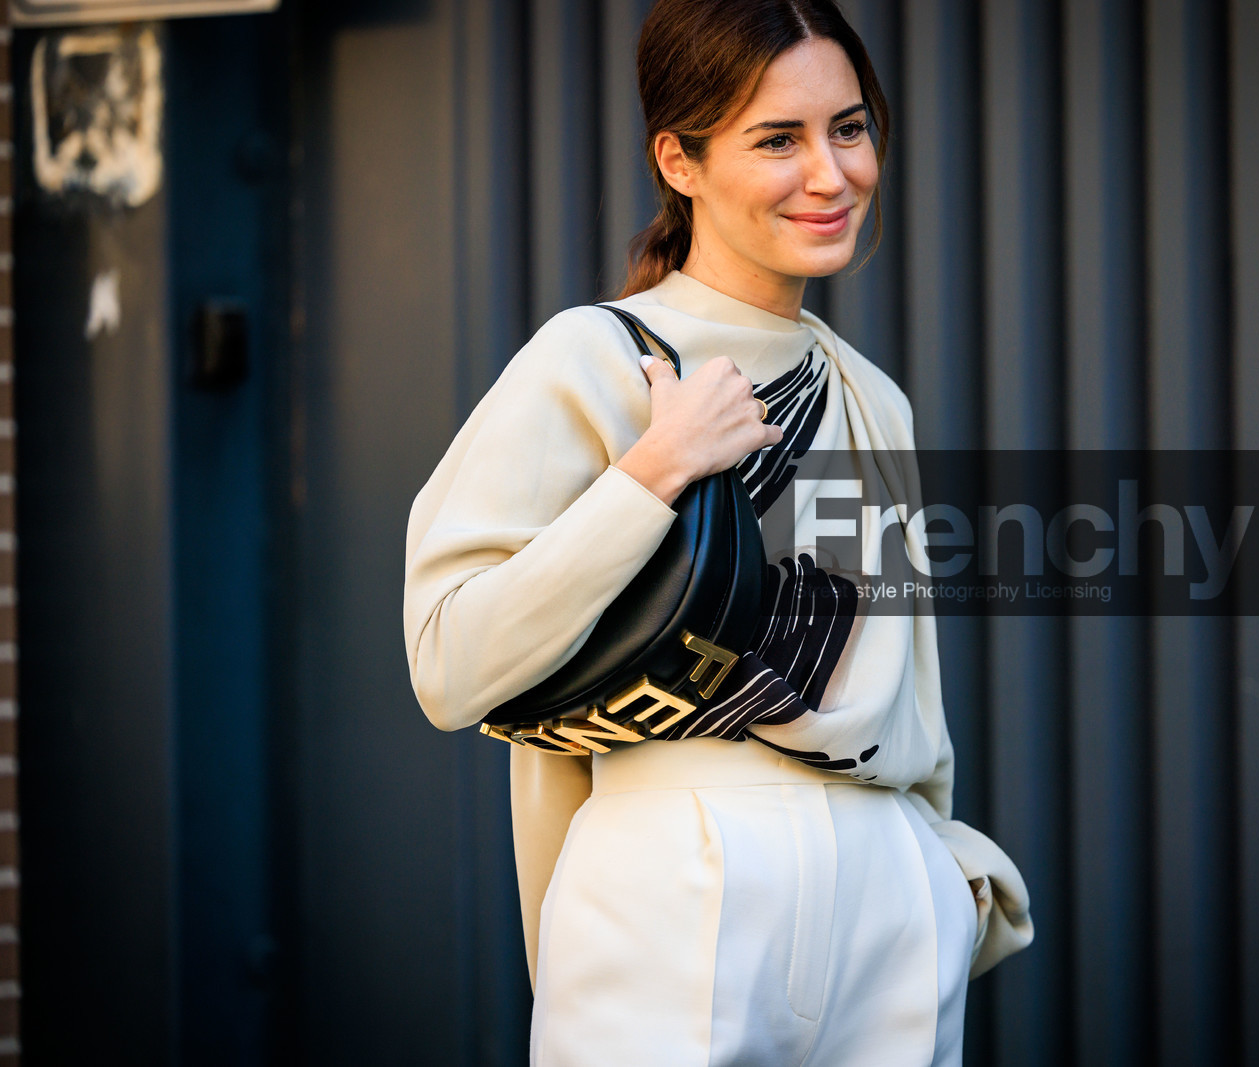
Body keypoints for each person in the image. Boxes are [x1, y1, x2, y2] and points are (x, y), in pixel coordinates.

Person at [402, 0, 1032, 1062]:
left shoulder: (868, 391)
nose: (831, 174)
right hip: (675, 862)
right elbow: (447, 660)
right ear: (679, 161)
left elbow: (908, 687)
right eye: (776, 139)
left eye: (849, 126)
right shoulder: (597, 359)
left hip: (886, 885)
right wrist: (654, 471)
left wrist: (939, 867)